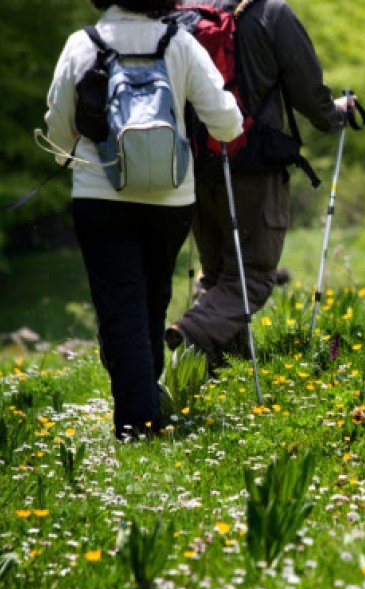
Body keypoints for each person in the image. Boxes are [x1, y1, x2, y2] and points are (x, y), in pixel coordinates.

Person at [44, 0, 243, 440]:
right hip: (171, 198)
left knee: (121, 304)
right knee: (151, 299)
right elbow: (227, 122)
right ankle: (145, 402)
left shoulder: (82, 45)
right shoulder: (180, 43)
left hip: (101, 195)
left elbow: (59, 134)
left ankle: (140, 422)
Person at [166, 0, 351, 368]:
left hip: (197, 166)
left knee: (220, 274)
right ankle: (190, 330)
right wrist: (335, 115)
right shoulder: (271, 14)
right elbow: (307, 87)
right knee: (253, 278)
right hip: (253, 164)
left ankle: (226, 368)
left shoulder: (183, 12)